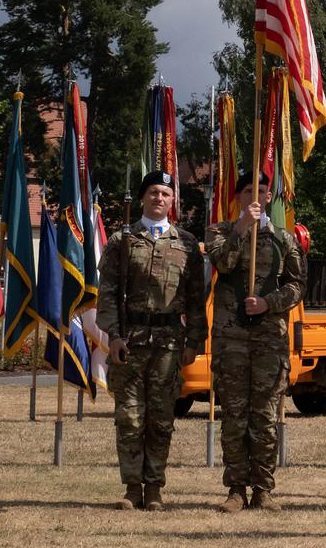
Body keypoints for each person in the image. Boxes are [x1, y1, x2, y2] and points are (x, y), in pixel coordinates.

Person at [97, 170, 206, 511]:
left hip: (170, 343)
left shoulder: (187, 243)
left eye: (166, 193)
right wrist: (113, 336)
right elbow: (108, 294)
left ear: (173, 201)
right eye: (154, 192)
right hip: (130, 341)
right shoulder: (123, 240)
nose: (160, 198)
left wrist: (194, 342)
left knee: (161, 418)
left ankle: (155, 488)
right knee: (129, 417)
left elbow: (195, 299)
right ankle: (132, 487)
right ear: (143, 198)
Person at [205, 171, 306, 513]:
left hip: (268, 340)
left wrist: (268, 303)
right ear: (238, 197)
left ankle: (263, 489)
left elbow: (296, 286)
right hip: (231, 338)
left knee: (264, 416)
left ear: (269, 198)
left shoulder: (284, 239)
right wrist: (241, 229)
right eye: (249, 191)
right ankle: (236, 489)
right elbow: (223, 261)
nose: (255, 196)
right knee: (234, 415)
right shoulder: (220, 232)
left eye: (262, 191)